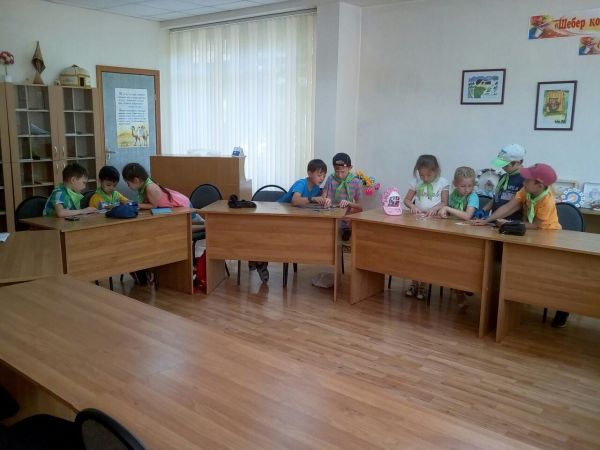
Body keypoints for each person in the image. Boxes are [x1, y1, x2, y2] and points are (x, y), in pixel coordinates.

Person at [472, 163, 568, 328]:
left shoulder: (547, 200)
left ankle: (562, 309)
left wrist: (510, 223)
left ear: (539, 185)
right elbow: (510, 206)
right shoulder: (526, 191)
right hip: (530, 234)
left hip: (547, 235)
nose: (523, 182)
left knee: (547, 274)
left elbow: (537, 224)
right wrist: (488, 220)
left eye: (527, 180)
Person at [248, 159, 330, 283]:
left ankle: (258, 260)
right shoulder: (301, 183)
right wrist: (312, 198)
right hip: (277, 214)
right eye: (319, 175)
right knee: (272, 238)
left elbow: (320, 197)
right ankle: (260, 261)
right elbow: (295, 200)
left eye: (324, 176)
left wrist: (324, 198)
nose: (322, 178)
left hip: (292, 219)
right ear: (309, 173)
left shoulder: (316, 188)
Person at [403, 154, 449, 300]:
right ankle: (414, 282)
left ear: (436, 171)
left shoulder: (443, 182)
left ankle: (424, 283)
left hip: (434, 222)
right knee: (415, 253)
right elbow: (407, 200)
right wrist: (413, 206)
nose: (425, 178)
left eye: (429, 175)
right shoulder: (416, 182)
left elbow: (444, 202)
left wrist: (435, 209)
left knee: (427, 253)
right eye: (422, 175)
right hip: (418, 221)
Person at [322, 153, 362, 241]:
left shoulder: (356, 182)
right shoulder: (330, 179)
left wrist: (349, 203)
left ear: (350, 168)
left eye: (342, 172)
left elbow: (361, 206)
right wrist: (325, 200)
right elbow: (323, 197)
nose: (339, 175)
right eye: (337, 171)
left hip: (346, 222)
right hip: (330, 218)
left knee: (343, 239)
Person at [482, 144, 526, 221]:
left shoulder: (524, 180)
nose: (502, 167)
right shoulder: (503, 177)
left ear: (518, 163)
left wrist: (488, 219)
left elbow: (513, 206)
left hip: (511, 222)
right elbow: (496, 198)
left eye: (505, 165)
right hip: (495, 220)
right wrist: (483, 210)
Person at [121, 163, 191, 209]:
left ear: (136, 180)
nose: (128, 186)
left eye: (128, 183)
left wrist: (134, 204)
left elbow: (153, 206)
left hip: (183, 205)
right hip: (178, 205)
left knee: (182, 226)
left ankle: (198, 225)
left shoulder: (150, 188)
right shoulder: (143, 184)